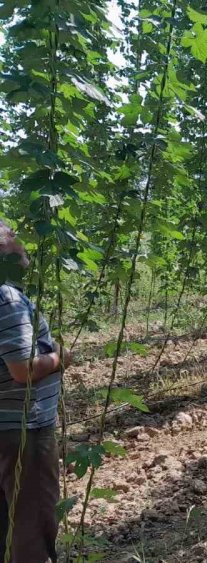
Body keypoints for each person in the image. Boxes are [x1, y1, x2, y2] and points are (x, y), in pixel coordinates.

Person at [0, 221, 71, 562]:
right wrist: (61, 357)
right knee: (32, 528)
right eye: (14, 237)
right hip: (23, 432)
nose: (23, 244)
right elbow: (22, 370)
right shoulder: (7, 298)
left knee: (8, 526)